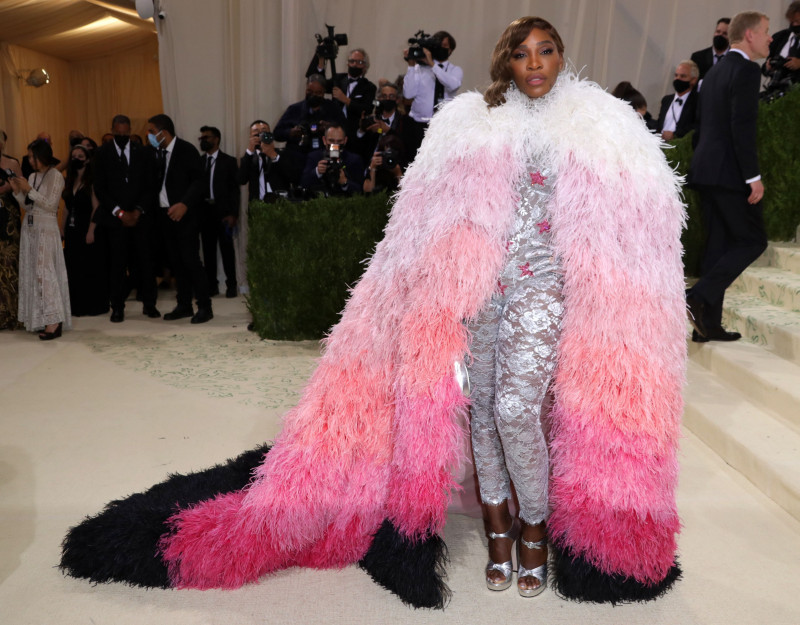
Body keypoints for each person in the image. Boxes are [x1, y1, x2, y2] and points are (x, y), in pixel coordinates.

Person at [61, 16, 685, 609]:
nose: (535, 63)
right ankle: (499, 529)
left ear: (562, 56)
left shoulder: (601, 124)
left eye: (545, 50)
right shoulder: (469, 122)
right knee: (483, 414)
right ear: (506, 63)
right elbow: (419, 217)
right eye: (522, 53)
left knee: (519, 408)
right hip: (476, 295)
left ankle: (535, 530)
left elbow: (638, 222)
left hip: (546, 293)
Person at [687, 11, 772, 342]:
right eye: (766, 32)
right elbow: (742, 127)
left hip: (706, 171)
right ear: (749, 35)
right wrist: (753, 176)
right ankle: (696, 295)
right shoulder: (748, 71)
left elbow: (703, 127)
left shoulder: (715, 71)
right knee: (753, 240)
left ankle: (708, 325)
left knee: (718, 245)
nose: (770, 38)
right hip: (730, 173)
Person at [92, 114, 159, 322]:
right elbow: (100, 188)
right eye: (118, 133)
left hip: (140, 218)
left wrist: (138, 211)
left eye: (125, 132)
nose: (122, 135)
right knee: (118, 264)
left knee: (146, 262)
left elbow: (151, 185)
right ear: (112, 131)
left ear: (130, 131)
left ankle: (150, 304)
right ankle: (118, 307)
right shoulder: (102, 154)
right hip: (115, 219)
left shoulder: (144, 153)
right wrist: (119, 212)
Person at [147, 113, 212, 324]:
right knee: (176, 262)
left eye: (151, 131)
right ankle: (183, 305)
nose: (149, 136)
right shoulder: (157, 153)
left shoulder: (186, 150)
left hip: (185, 214)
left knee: (191, 260)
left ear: (162, 132)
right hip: (165, 215)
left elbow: (199, 182)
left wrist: (184, 203)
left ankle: (204, 306)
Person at [10, 139, 71, 339]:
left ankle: (54, 321)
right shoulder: (33, 176)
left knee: (46, 274)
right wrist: (18, 192)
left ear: (42, 156)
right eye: (28, 156)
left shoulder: (56, 176)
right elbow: (28, 206)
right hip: (31, 228)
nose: (30, 160)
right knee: (34, 273)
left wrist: (29, 190)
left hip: (47, 229)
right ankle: (39, 318)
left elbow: (51, 204)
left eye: (32, 156)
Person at [273, 75, 346, 186]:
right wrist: (291, 132)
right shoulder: (294, 109)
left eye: (318, 93)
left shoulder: (333, 109)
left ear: (324, 92)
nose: (313, 95)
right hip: (297, 158)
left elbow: (345, 131)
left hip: (324, 157)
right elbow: (277, 133)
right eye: (310, 91)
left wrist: (329, 127)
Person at [63, 144, 109, 316]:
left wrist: (91, 231)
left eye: (80, 156)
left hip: (88, 228)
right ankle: (76, 305)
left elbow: (96, 208)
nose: (76, 159)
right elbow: (66, 208)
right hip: (72, 230)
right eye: (73, 156)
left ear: (88, 159)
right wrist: (62, 228)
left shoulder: (92, 182)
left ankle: (93, 305)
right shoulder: (70, 180)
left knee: (89, 267)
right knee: (74, 267)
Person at [402, 30, 463, 159]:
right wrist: (411, 66)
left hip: (443, 127)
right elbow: (408, 94)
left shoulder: (455, 70)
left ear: (450, 50)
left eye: (444, 46)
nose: (440, 48)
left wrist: (432, 64)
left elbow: (453, 85)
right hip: (418, 125)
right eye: (437, 45)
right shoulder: (419, 69)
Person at [198, 126, 240, 298]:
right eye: (201, 138)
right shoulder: (199, 162)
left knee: (227, 250)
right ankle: (211, 285)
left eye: (206, 137)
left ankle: (231, 285)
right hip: (205, 211)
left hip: (223, 212)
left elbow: (234, 190)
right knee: (208, 251)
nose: (203, 141)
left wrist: (233, 214)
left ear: (216, 139)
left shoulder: (228, 161)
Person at [0, 130, 24, 329]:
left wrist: (9, 188)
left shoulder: (12, 163)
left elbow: (23, 187)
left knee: (10, 263)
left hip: (9, 220)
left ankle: (13, 313)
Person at [300, 123, 364, 196]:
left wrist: (344, 182)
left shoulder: (354, 160)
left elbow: (361, 191)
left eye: (339, 141)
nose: (335, 145)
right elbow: (303, 184)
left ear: (345, 140)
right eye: (331, 141)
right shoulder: (314, 157)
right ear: (324, 140)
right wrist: (317, 171)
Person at [238, 120, 292, 202]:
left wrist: (274, 156)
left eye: (264, 131)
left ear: (270, 135)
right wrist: (249, 151)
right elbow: (242, 180)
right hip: (257, 205)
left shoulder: (282, 154)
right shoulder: (248, 157)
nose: (260, 135)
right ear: (250, 137)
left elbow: (291, 176)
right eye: (256, 132)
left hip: (280, 204)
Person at [331, 48, 377, 141]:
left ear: (365, 66)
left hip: (355, 132)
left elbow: (367, 109)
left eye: (359, 62)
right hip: (335, 130)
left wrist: (346, 100)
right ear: (348, 63)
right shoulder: (338, 79)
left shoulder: (369, 87)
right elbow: (319, 82)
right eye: (352, 61)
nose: (354, 65)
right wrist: (320, 60)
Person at [655, 60, 699, 141]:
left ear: (693, 80)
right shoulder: (666, 100)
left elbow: (696, 126)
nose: (678, 78)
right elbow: (659, 123)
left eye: (683, 76)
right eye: (676, 75)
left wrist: (675, 134)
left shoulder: (698, 101)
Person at [762, 2, 800, 91]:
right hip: (776, 90)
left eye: (797, 21)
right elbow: (764, 67)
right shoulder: (779, 37)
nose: (794, 25)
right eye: (791, 21)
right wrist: (768, 67)